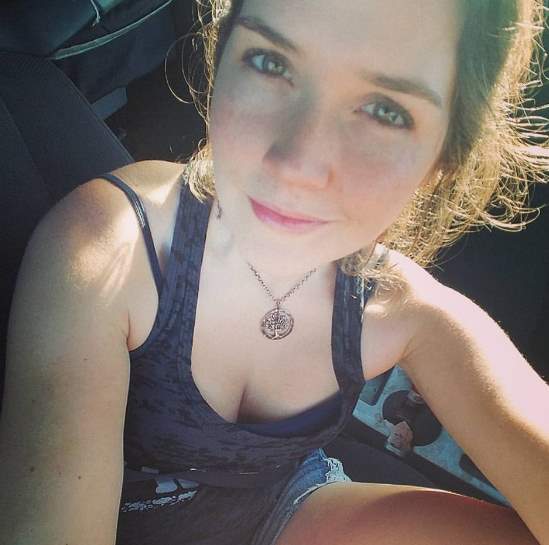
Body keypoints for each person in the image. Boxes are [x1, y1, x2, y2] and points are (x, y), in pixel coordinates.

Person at [1, 0, 548, 544]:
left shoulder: (405, 312)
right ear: (221, 57)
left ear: (442, 159)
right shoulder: (116, 246)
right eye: (270, 63)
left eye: (385, 110)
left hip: (285, 507)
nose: (296, 165)